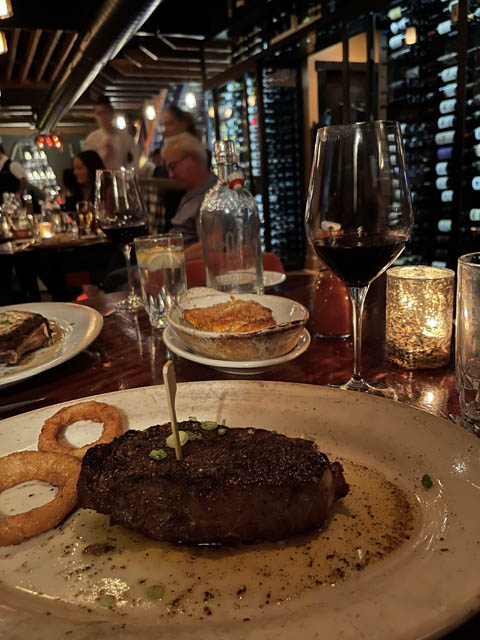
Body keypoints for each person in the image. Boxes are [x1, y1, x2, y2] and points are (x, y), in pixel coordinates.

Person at [161, 132, 217, 259]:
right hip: (175, 265)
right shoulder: (192, 191)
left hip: (186, 271)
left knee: (116, 278)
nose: (171, 175)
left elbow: (212, 245)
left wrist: (170, 261)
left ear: (193, 158)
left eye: (173, 166)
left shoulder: (212, 197)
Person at [84, 96, 138, 170]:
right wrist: (104, 153)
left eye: (105, 112)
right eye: (99, 113)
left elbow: (134, 162)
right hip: (100, 178)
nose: (102, 117)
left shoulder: (127, 139)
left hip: (120, 178)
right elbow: (88, 166)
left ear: (112, 113)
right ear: (95, 116)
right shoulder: (92, 139)